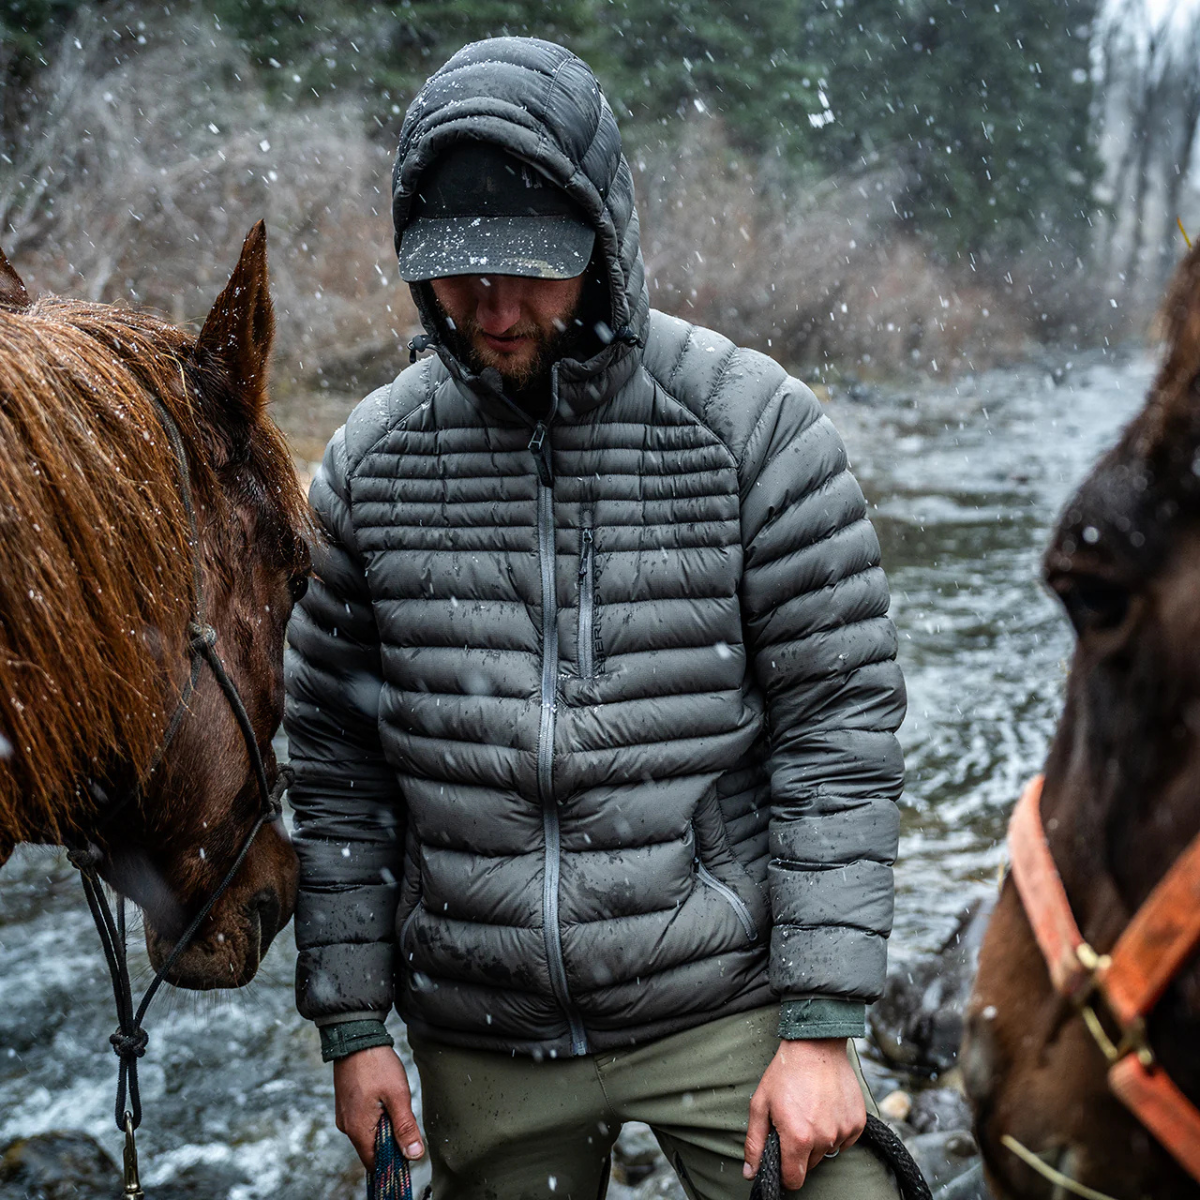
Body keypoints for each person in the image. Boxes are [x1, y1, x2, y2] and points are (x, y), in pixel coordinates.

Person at [285, 35, 906, 1200]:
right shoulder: (369, 467)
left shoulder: (753, 430)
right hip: (483, 1029)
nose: (495, 304)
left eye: (533, 267)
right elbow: (333, 763)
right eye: (463, 269)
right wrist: (354, 1026)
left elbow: (838, 727)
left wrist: (822, 1026)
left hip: (724, 1006)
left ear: (606, 243)